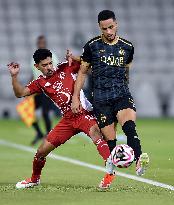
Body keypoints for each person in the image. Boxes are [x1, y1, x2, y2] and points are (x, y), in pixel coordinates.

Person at [8, 48, 113, 189]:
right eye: (44, 65)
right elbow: (20, 93)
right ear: (36, 67)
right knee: (41, 152)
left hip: (84, 114)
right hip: (68, 121)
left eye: (50, 63)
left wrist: (74, 57)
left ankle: (110, 173)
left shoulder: (66, 67)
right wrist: (14, 76)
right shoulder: (39, 82)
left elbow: (90, 64)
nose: (49, 67)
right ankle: (34, 179)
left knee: (95, 134)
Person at [71, 10, 149, 188]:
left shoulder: (128, 47)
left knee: (129, 127)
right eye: (104, 28)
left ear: (117, 24)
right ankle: (109, 174)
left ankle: (139, 161)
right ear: (99, 27)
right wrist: (76, 97)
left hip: (121, 95)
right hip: (101, 99)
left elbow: (126, 70)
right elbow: (82, 72)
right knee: (111, 142)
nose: (108, 31)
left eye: (111, 27)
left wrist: (124, 85)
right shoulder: (91, 46)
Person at [30, 35, 59, 145]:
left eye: (43, 42)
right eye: (39, 42)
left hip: (46, 89)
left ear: (45, 43)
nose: (41, 44)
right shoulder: (34, 58)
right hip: (36, 89)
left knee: (45, 112)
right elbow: (33, 73)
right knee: (26, 111)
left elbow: (55, 72)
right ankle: (39, 132)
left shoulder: (52, 57)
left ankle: (48, 136)